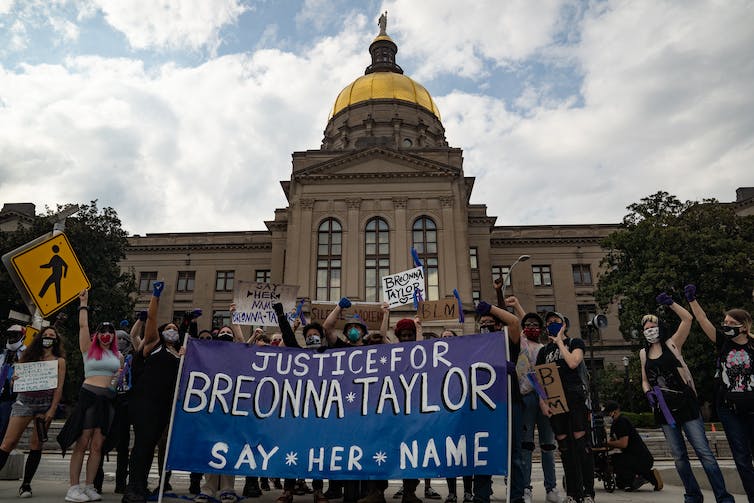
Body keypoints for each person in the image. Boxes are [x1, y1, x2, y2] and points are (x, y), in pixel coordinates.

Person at [639, 292, 734, 503]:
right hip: (663, 409)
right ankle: (692, 495)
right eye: (646, 329)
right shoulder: (643, 354)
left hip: (685, 404)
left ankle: (723, 496)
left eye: (652, 327)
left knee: (704, 452)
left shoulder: (673, 344)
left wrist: (671, 303)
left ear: (660, 327)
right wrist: (647, 392)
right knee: (679, 458)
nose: (650, 331)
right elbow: (645, 379)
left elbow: (687, 319)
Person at [685, 284, 754, 502]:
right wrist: (692, 300)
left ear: (743, 327)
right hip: (729, 409)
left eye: (731, 323)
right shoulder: (723, 342)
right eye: (724, 322)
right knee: (742, 458)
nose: (726, 325)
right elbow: (703, 320)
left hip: (752, 408)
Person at [57, 289, 120, 502]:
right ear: (97, 334)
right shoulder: (88, 349)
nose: (107, 333)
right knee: (82, 442)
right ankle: (73, 488)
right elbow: (83, 326)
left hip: (107, 401)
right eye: (103, 330)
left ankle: (89, 486)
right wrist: (84, 303)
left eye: (110, 331)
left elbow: (117, 379)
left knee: (97, 445)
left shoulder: (117, 355)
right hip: (89, 397)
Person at [122, 281, 181, 503]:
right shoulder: (154, 343)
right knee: (142, 445)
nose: (172, 331)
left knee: (150, 447)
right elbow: (153, 320)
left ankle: (141, 486)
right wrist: (156, 296)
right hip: (145, 402)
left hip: (165, 406)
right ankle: (132, 489)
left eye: (176, 329)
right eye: (169, 328)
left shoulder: (179, 352)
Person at [504, 295, 561, 503]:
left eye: (535, 325)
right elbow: (520, 321)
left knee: (548, 445)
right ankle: (526, 488)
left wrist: (547, 400)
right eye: (528, 325)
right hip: (526, 398)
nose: (531, 327)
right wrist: (517, 305)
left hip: (545, 398)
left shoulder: (546, 349)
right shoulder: (523, 342)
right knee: (526, 445)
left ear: (542, 329)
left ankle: (551, 487)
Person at [0, 325, 66, 498]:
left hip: (44, 405)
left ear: (56, 340)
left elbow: (59, 388)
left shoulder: (59, 361)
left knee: (36, 445)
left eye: (52, 336)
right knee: (8, 442)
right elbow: (16, 384)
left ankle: (26, 485)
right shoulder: (28, 356)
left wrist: (52, 409)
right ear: (40, 338)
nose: (49, 338)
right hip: (24, 402)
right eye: (46, 335)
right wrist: (14, 381)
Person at [536, 311, 594, 503]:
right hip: (555, 401)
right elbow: (538, 379)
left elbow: (573, 362)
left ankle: (587, 492)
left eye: (556, 321)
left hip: (575, 397)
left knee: (580, 445)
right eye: (549, 322)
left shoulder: (575, 343)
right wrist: (542, 403)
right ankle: (573, 493)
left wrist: (560, 341)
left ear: (564, 325)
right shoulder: (544, 352)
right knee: (565, 448)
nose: (552, 324)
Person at [474, 299, 524, 503]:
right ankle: (481, 496)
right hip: (485, 405)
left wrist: (491, 308)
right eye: (482, 323)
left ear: (497, 325)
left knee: (514, 454)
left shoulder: (508, 340)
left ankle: (516, 495)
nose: (485, 326)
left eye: (489, 322)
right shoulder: (475, 346)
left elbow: (514, 322)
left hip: (510, 402)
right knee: (483, 451)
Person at [603, 400, 662, 491]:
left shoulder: (622, 421)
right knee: (620, 482)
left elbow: (623, 443)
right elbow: (612, 442)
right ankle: (650, 476)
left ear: (616, 411)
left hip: (641, 458)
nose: (609, 415)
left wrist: (608, 443)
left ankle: (633, 481)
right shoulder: (615, 424)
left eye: (609, 412)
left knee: (616, 460)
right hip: (635, 458)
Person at [0, 325, 27, 439]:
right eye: (9, 335)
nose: (11, 338)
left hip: (13, 396)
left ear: (22, 337)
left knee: (3, 426)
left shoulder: (26, 353)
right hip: (2, 391)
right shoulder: (3, 354)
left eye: (15, 335)